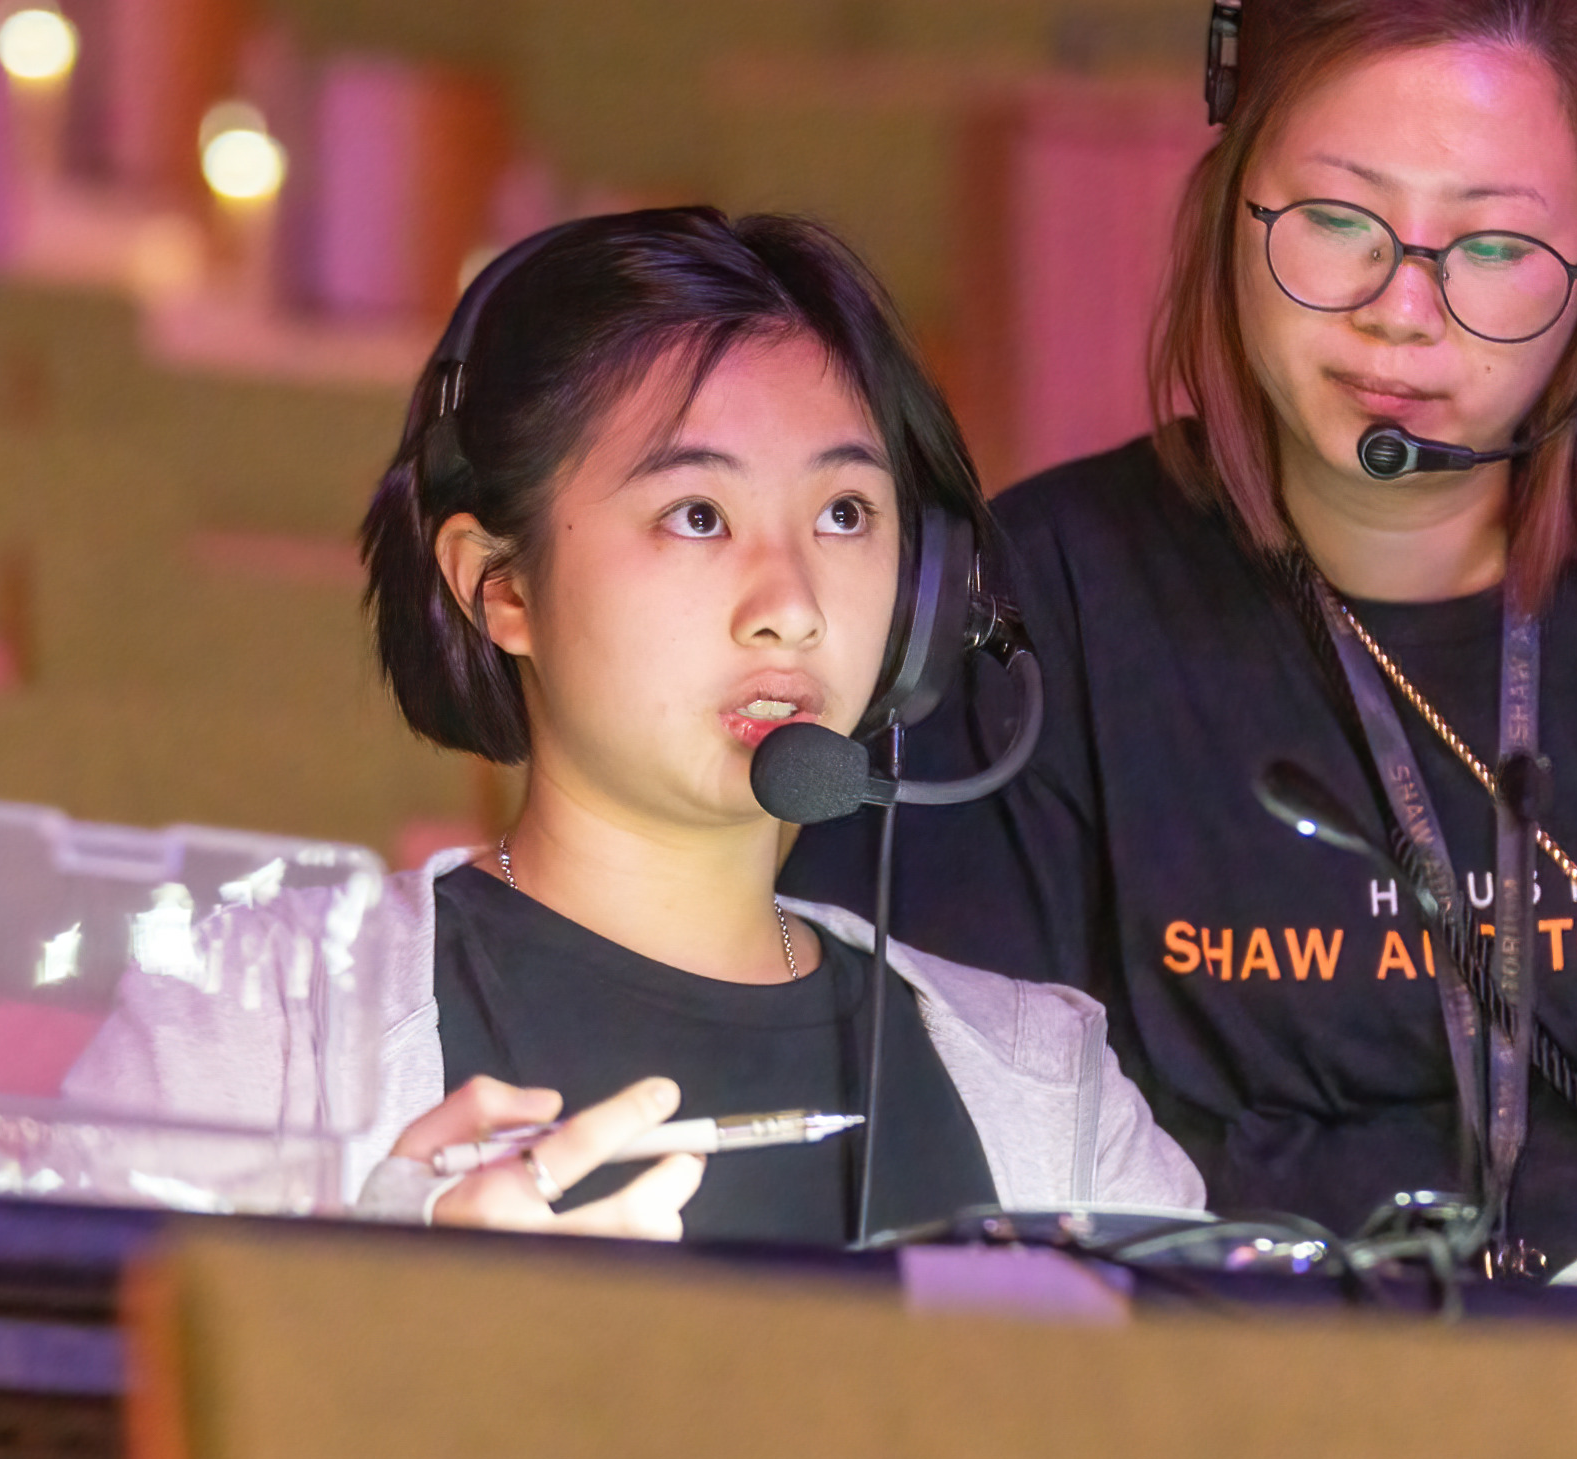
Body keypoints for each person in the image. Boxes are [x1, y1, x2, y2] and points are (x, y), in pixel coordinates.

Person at [792, 0, 1577, 1291]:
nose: (1403, 313)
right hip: (1210, 1432)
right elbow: (955, 1197)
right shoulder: (1033, 604)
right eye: (1340, 221)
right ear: (1231, 210)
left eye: (1493, 247)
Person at [65, 208, 1200, 1242]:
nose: (793, 607)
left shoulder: (1054, 1095)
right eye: (697, 515)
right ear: (500, 586)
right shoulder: (257, 1031)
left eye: (845, 513)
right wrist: (378, 1328)